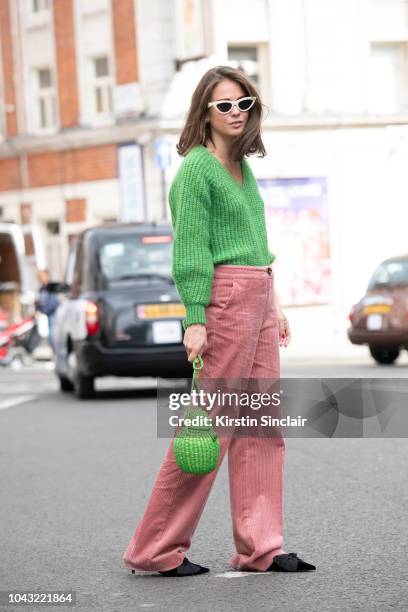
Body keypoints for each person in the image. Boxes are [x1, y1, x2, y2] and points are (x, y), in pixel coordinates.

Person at [123, 65, 316, 576]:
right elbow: (191, 252)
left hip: (258, 290)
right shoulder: (196, 171)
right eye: (223, 105)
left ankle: (262, 546)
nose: (235, 113)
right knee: (208, 427)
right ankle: (155, 549)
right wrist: (195, 317)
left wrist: (274, 305)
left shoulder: (242, 170)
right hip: (225, 298)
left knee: (260, 426)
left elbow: (255, 244)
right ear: (204, 113)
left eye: (243, 103)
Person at [35, 269, 60, 352]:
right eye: (40, 276)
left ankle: (56, 352)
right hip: (47, 315)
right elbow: (39, 302)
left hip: (53, 314)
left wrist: (43, 311)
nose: (41, 278)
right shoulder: (41, 289)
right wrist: (37, 310)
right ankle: (54, 351)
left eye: (42, 276)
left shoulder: (50, 288)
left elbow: (54, 302)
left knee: (53, 335)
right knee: (49, 334)